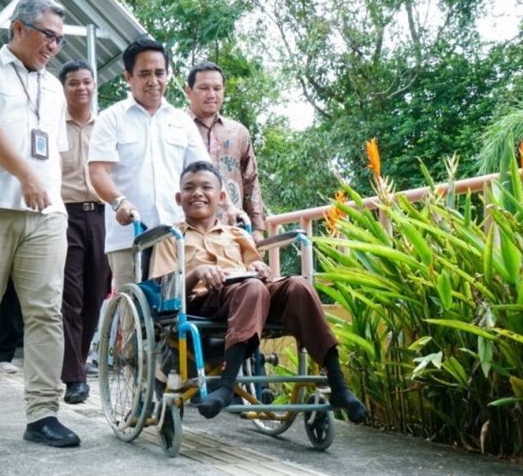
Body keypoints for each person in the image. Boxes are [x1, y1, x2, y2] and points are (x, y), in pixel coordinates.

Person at [0, 0, 79, 447]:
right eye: (48, 36)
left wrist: (55, 197)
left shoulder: (53, 88)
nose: (54, 47)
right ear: (19, 28)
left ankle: (43, 414)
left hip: (45, 215)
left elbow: (54, 153)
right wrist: (25, 174)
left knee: (46, 313)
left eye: (61, 41)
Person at [150, 161, 367, 423]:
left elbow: (261, 273)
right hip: (201, 302)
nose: (197, 193)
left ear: (220, 197)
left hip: (249, 295)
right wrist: (197, 272)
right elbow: (165, 293)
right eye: (189, 188)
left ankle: (338, 385)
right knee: (251, 288)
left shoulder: (238, 235)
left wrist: (260, 267)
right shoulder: (170, 238)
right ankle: (227, 385)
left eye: (206, 187)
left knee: (298, 286)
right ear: (178, 197)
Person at [88, 38, 210, 287]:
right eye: (144, 74)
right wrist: (119, 201)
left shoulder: (181, 121)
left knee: (178, 311)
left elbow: (204, 172)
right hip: (129, 237)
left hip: (177, 235)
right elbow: (98, 172)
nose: (153, 81)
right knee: (132, 316)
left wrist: (227, 207)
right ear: (128, 77)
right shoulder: (111, 119)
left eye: (159, 73)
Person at [58, 59, 110, 404]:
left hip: (103, 213)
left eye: (87, 82)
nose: (81, 88)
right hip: (65, 214)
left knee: (95, 293)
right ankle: (74, 376)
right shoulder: (52, 125)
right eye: (74, 83)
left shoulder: (106, 126)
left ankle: (79, 357)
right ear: (64, 88)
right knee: (70, 296)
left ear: (94, 86)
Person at [185, 62, 266, 240]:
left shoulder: (238, 133)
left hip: (234, 230)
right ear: (188, 91)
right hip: (189, 232)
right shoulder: (175, 127)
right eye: (204, 88)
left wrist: (257, 229)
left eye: (217, 88)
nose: (211, 94)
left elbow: (251, 181)